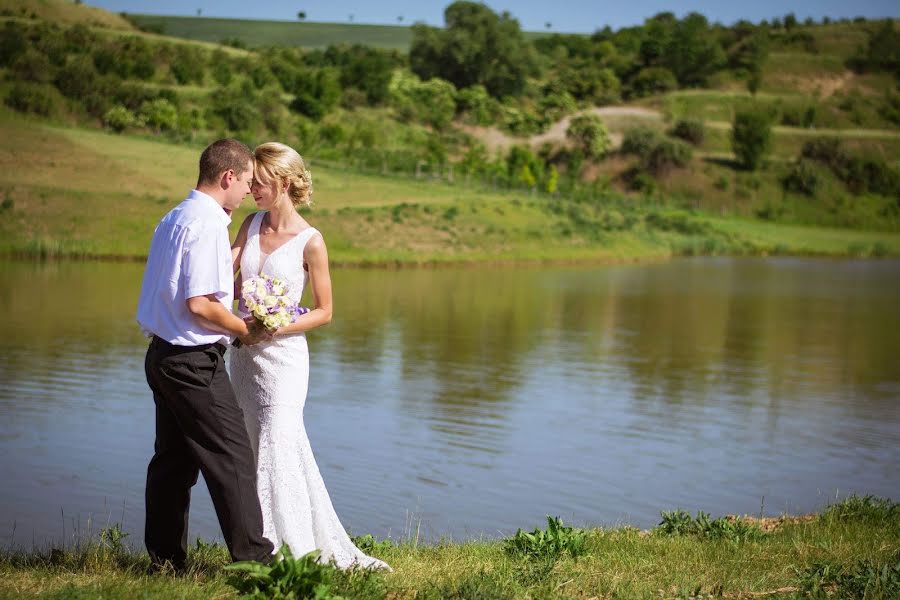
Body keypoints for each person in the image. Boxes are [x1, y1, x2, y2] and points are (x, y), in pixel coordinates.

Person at [229, 142, 390, 570]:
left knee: (278, 442)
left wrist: (275, 325)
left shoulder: (311, 241)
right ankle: (259, 544)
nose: (252, 191)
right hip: (245, 356)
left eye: (260, 184)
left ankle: (287, 551)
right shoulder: (250, 224)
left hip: (284, 361)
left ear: (283, 183)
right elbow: (223, 275)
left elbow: (324, 311)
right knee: (250, 444)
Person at [136, 139, 274, 572]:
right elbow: (201, 304)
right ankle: (254, 563)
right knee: (233, 457)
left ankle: (165, 562)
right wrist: (245, 331)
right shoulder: (209, 223)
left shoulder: (175, 215)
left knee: (172, 462)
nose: (249, 191)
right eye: (248, 181)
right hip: (192, 363)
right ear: (228, 176)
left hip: (162, 356)